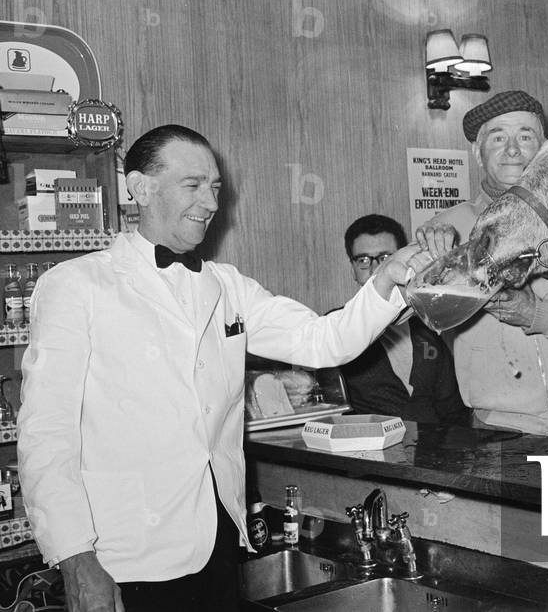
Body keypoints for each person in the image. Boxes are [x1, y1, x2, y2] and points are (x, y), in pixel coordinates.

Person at [17, 125, 429, 612]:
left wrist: (387, 282)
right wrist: (74, 556)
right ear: (140, 188)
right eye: (192, 185)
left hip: (217, 537)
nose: (210, 202)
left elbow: (324, 339)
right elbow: (47, 434)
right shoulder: (76, 286)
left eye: (215, 187)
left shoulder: (227, 285)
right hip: (124, 552)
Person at [415, 90, 548, 437]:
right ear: (477, 152)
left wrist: (538, 314)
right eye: (498, 137)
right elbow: (423, 316)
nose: (512, 149)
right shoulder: (446, 230)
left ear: (544, 149)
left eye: (525, 136)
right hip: (503, 430)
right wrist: (429, 264)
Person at [338, 214, 468, 425]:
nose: (375, 270)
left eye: (386, 258)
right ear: (352, 270)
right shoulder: (335, 331)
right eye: (363, 260)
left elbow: (454, 411)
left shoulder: (428, 329)